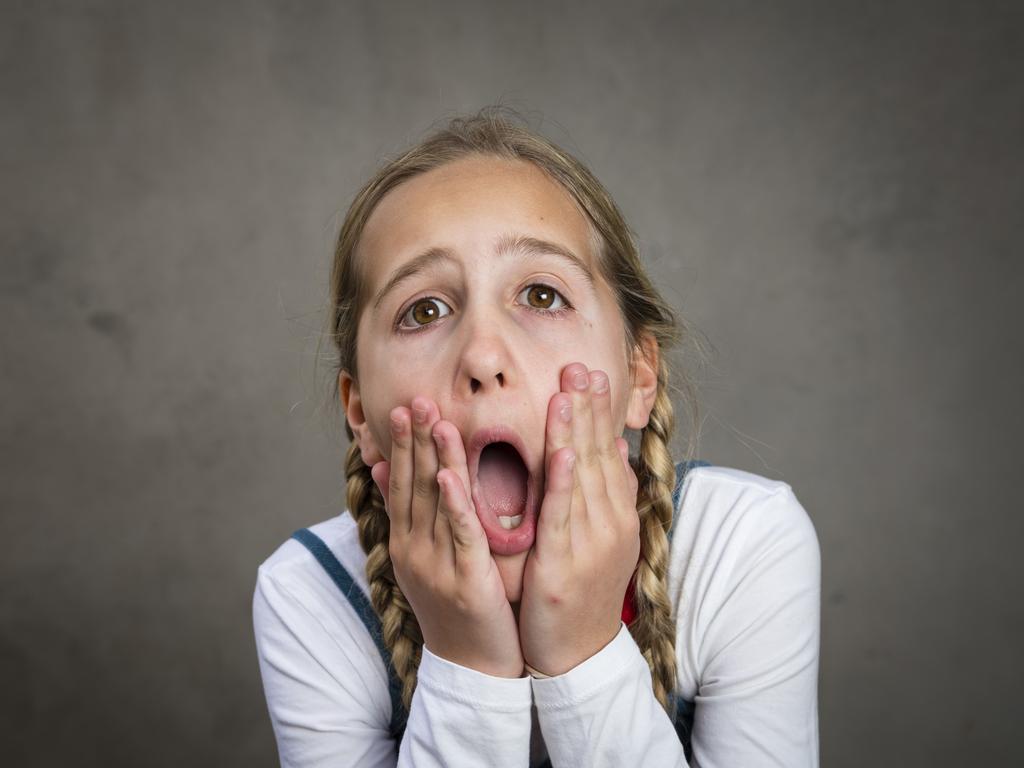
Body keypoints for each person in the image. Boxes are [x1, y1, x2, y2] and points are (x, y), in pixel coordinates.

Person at [253, 107, 820, 767]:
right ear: (360, 414)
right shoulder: (311, 597)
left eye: (542, 296)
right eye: (424, 310)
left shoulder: (739, 546)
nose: (483, 355)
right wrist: (467, 664)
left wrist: (582, 653)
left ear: (639, 372)